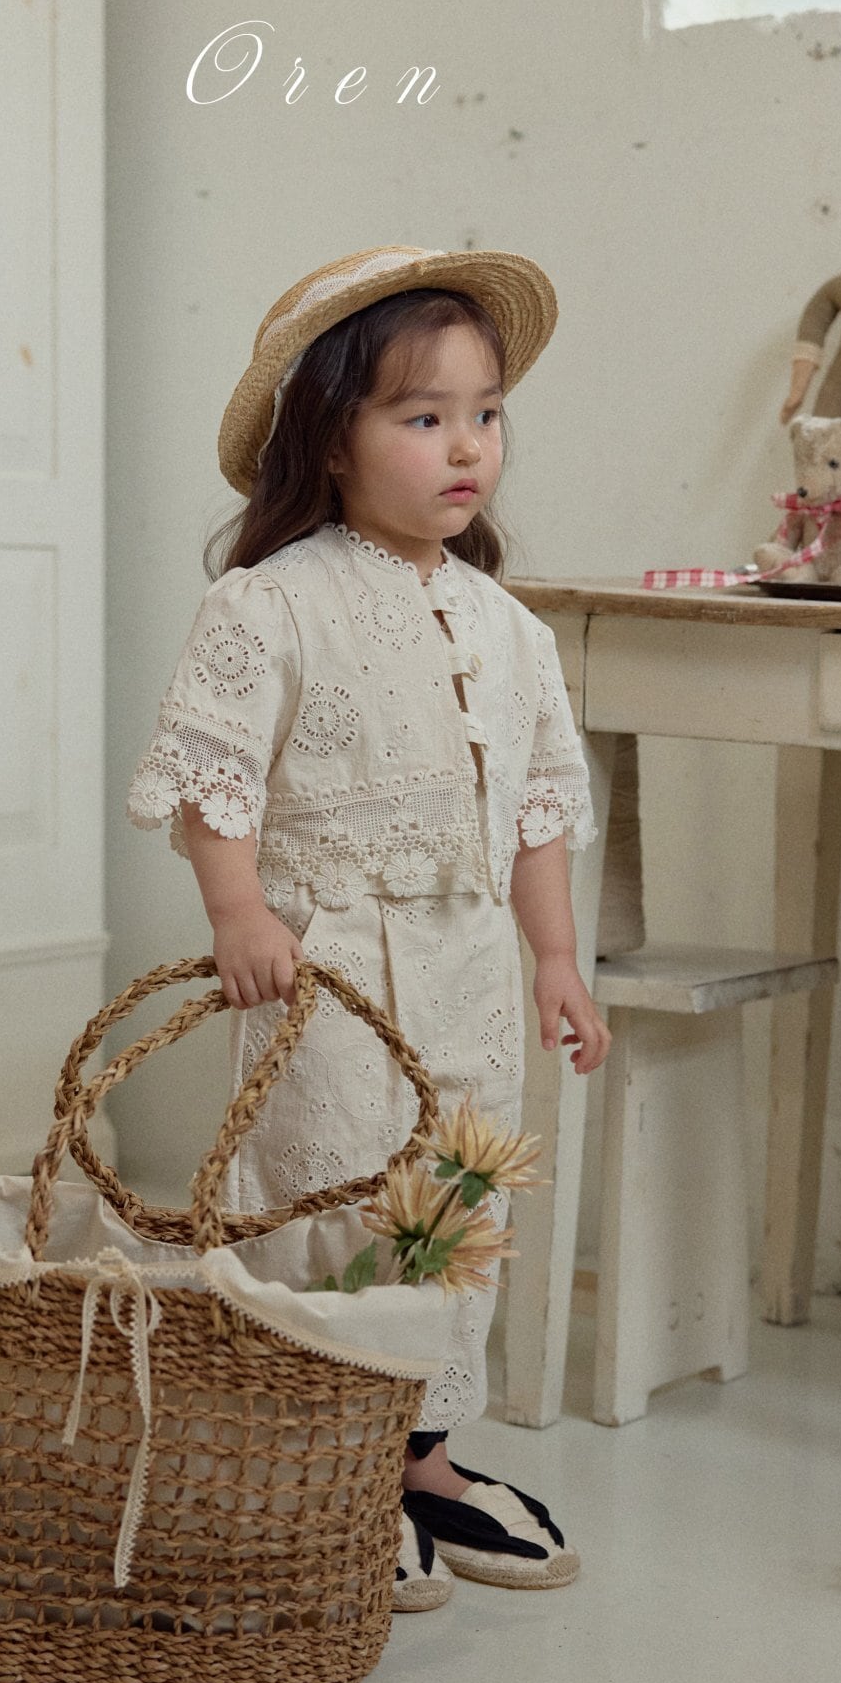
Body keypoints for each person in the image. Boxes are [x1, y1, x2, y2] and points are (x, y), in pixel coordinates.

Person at [127, 244, 611, 1611]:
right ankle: (325, 1455)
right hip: (331, 979)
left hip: (470, 978)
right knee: (333, 1199)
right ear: (330, 439)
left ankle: (422, 1455)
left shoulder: (511, 631)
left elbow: (535, 813)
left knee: (453, 1206)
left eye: (486, 413)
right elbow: (214, 778)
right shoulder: (270, 603)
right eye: (423, 415)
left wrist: (556, 958)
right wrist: (238, 911)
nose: (467, 446)